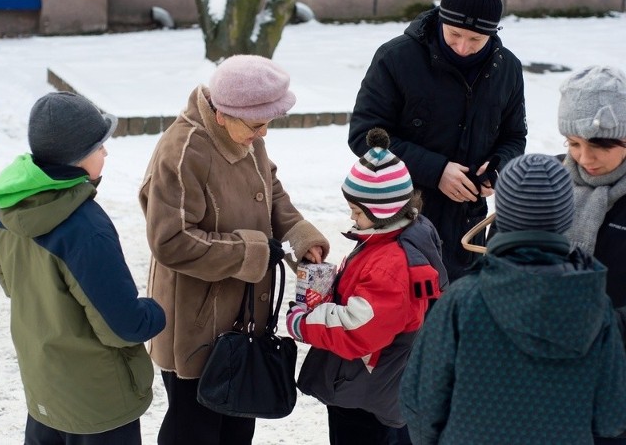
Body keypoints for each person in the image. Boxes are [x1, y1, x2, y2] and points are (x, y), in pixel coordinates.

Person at [138, 54, 330, 445]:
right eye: (258, 125)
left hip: (243, 318)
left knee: (238, 424)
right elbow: (170, 241)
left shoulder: (244, 135)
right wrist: (252, 253)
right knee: (194, 430)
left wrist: (298, 232)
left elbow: (269, 189)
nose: (264, 134)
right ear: (223, 113)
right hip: (195, 323)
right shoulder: (183, 150)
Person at [400, 153, 626, 445]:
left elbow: (421, 401)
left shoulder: (461, 301)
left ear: (503, 215)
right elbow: (611, 418)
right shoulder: (595, 306)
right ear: (567, 215)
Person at [0, 91, 166, 445]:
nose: (106, 152)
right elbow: (123, 326)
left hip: (45, 391)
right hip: (97, 406)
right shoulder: (85, 227)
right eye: (100, 146)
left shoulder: (12, 210)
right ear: (78, 158)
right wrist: (156, 312)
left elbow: (10, 283)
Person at [287, 128, 447, 445]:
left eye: (357, 211)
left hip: (367, 394)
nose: (352, 217)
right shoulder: (388, 239)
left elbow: (358, 329)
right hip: (376, 386)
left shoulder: (391, 262)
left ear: (383, 211)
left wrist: (303, 322)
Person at [348, 0, 527, 282]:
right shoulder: (396, 58)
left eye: (476, 39)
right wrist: (436, 170)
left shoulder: (508, 69)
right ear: (441, 19)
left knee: (459, 316)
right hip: (400, 219)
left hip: (468, 223)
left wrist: (498, 167)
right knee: (403, 317)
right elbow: (365, 135)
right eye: (454, 34)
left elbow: (514, 136)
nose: (463, 47)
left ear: (492, 33)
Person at [558, 65, 626, 445]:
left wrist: (604, 326)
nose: (584, 158)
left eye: (599, 144)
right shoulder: (546, 181)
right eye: (573, 142)